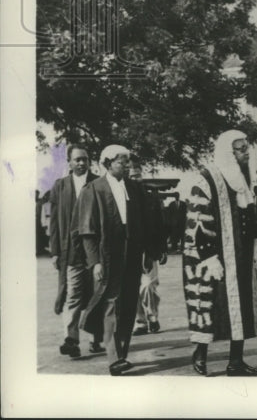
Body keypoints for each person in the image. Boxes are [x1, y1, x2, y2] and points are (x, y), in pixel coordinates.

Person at [182, 130, 257, 377]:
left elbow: (252, 214)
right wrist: (209, 258)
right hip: (213, 257)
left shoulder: (242, 179)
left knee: (241, 306)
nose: (246, 153)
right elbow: (196, 221)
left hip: (240, 255)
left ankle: (236, 361)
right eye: (241, 149)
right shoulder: (206, 180)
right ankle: (200, 354)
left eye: (246, 148)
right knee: (210, 306)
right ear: (229, 152)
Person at [76, 144, 164, 375]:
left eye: (127, 161)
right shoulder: (93, 190)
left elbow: (143, 226)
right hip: (107, 257)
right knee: (110, 305)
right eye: (120, 161)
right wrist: (95, 262)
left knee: (127, 305)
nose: (125, 165)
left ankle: (122, 354)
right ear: (107, 163)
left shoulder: (134, 190)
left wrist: (147, 254)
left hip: (132, 256)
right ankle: (113, 358)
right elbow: (87, 231)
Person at [49, 144, 103, 358]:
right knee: (73, 295)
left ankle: (95, 338)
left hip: (96, 250)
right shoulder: (60, 186)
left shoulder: (99, 183)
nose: (81, 163)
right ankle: (71, 339)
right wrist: (55, 251)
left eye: (85, 159)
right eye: (77, 159)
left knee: (96, 295)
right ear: (69, 162)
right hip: (71, 250)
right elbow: (54, 222)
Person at [129, 161, 168, 336]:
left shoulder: (152, 199)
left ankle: (153, 316)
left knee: (148, 286)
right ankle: (140, 321)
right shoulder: (123, 198)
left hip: (150, 250)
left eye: (137, 175)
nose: (134, 178)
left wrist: (163, 249)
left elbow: (161, 225)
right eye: (131, 175)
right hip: (130, 251)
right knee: (132, 287)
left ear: (141, 175)